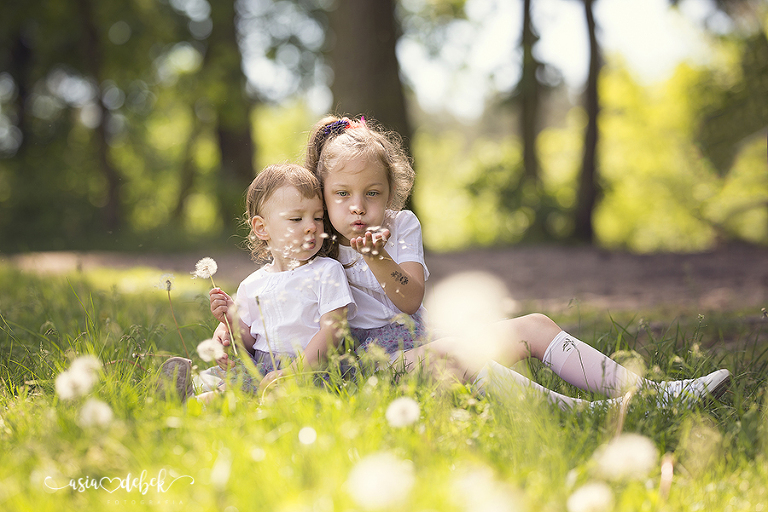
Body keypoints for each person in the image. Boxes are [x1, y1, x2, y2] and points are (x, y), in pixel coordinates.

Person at [302, 114, 731, 410]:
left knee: (535, 325)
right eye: (342, 194)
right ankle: (590, 413)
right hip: (375, 367)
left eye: (372, 193)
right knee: (473, 364)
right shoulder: (312, 245)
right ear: (321, 193)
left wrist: (377, 257)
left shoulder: (401, 226)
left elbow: (410, 299)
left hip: (423, 340)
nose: (358, 207)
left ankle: (652, 393)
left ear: (390, 192)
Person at [160, 163, 356, 400]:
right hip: (261, 367)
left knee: (245, 392)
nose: (311, 227)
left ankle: (190, 402)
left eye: (318, 217)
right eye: (296, 219)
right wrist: (230, 323)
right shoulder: (252, 284)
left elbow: (333, 328)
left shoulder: (326, 271)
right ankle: (185, 394)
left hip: (309, 368)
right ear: (262, 228)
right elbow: (250, 342)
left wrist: (294, 371)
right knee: (236, 384)